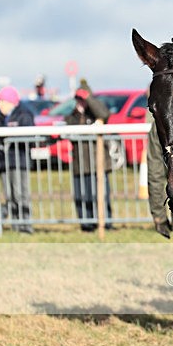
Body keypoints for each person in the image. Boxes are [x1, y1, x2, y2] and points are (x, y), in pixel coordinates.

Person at [64, 81, 112, 232]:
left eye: (82, 99)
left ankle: (106, 223)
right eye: (78, 99)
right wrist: (78, 110)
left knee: (100, 195)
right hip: (80, 164)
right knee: (81, 196)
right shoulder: (73, 116)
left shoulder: (96, 111)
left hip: (97, 163)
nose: (80, 102)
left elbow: (104, 114)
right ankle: (86, 224)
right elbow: (67, 126)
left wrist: (89, 99)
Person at [0, 85, 34, 232]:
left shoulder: (24, 114)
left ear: (10, 102)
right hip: (3, 162)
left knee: (21, 194)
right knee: (10, 194)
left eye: (1, 102)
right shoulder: (0, 115)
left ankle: (25, 224)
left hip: (20, 161)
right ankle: (16, 224)